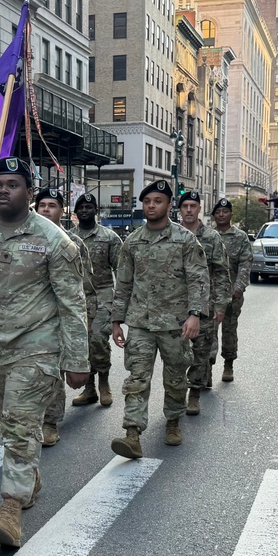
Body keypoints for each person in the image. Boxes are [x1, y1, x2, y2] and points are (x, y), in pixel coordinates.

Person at [0, 157, 88, 548]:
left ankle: (11, 506)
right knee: (8, 422)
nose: (3, 190)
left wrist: (77, 361)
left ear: (29, 191)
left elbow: (72, 304)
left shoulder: (54, 240)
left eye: (13, 184)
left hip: (36, 348)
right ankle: (30, 477)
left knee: (23, 424)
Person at [110, 179, 209, 458]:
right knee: (137, 378)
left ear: (169, 206)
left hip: (175, 325)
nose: (151, 206)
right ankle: (132, 434)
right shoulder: (132, 241)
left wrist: (194, 315)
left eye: (157, 201)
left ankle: (173, 421)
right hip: (140, 323)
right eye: (147, 201)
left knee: (175, 377)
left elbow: (198, 280)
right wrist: (117, 321)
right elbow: (124, 285)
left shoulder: (185, 240)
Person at [34, 187, 94, 446]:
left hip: (58, 319)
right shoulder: (23, 238)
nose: (46, 209)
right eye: (42, 205)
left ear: (62, 211)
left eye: (52, 205)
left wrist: (83, 323)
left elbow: (85, 288)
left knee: (53, 373)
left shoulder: (73, 243)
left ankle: (50, 422)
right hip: (26, 320)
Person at [177, 191, 231, 415]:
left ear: (199, 209)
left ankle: (194, 394)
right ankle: (177, 392)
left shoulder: (211, 237)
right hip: (175, 306)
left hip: (205, 306)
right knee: (177, 354)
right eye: (185, 206)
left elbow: (221, 273)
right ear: (179, 210)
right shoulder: (172, 235)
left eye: (193, 206)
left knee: (200, 353)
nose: (189, 210)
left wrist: (220, 305)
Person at [70, 193, 123, 407]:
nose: (84, 210)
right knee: (82, 344)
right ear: (75, 212)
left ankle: (104, 383)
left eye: (89, 207)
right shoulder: (68, 238)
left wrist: (121, 302)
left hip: (103, 296)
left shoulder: (109, 237)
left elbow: (121, 270)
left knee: (98, 340)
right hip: (77, 297)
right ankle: (89, 388)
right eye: (81, 207)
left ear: (96, 211)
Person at [210, 198, 252, 383]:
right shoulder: (208, 235)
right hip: (210, 292)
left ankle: (228, 363)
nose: (221, 214)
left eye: (225, 211)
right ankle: (206, 367)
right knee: (208, 331)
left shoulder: (240, 236)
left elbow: (245, 263)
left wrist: (239, 286)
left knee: (229, 329)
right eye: (218, 212)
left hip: (232, 291)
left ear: (231, 215)